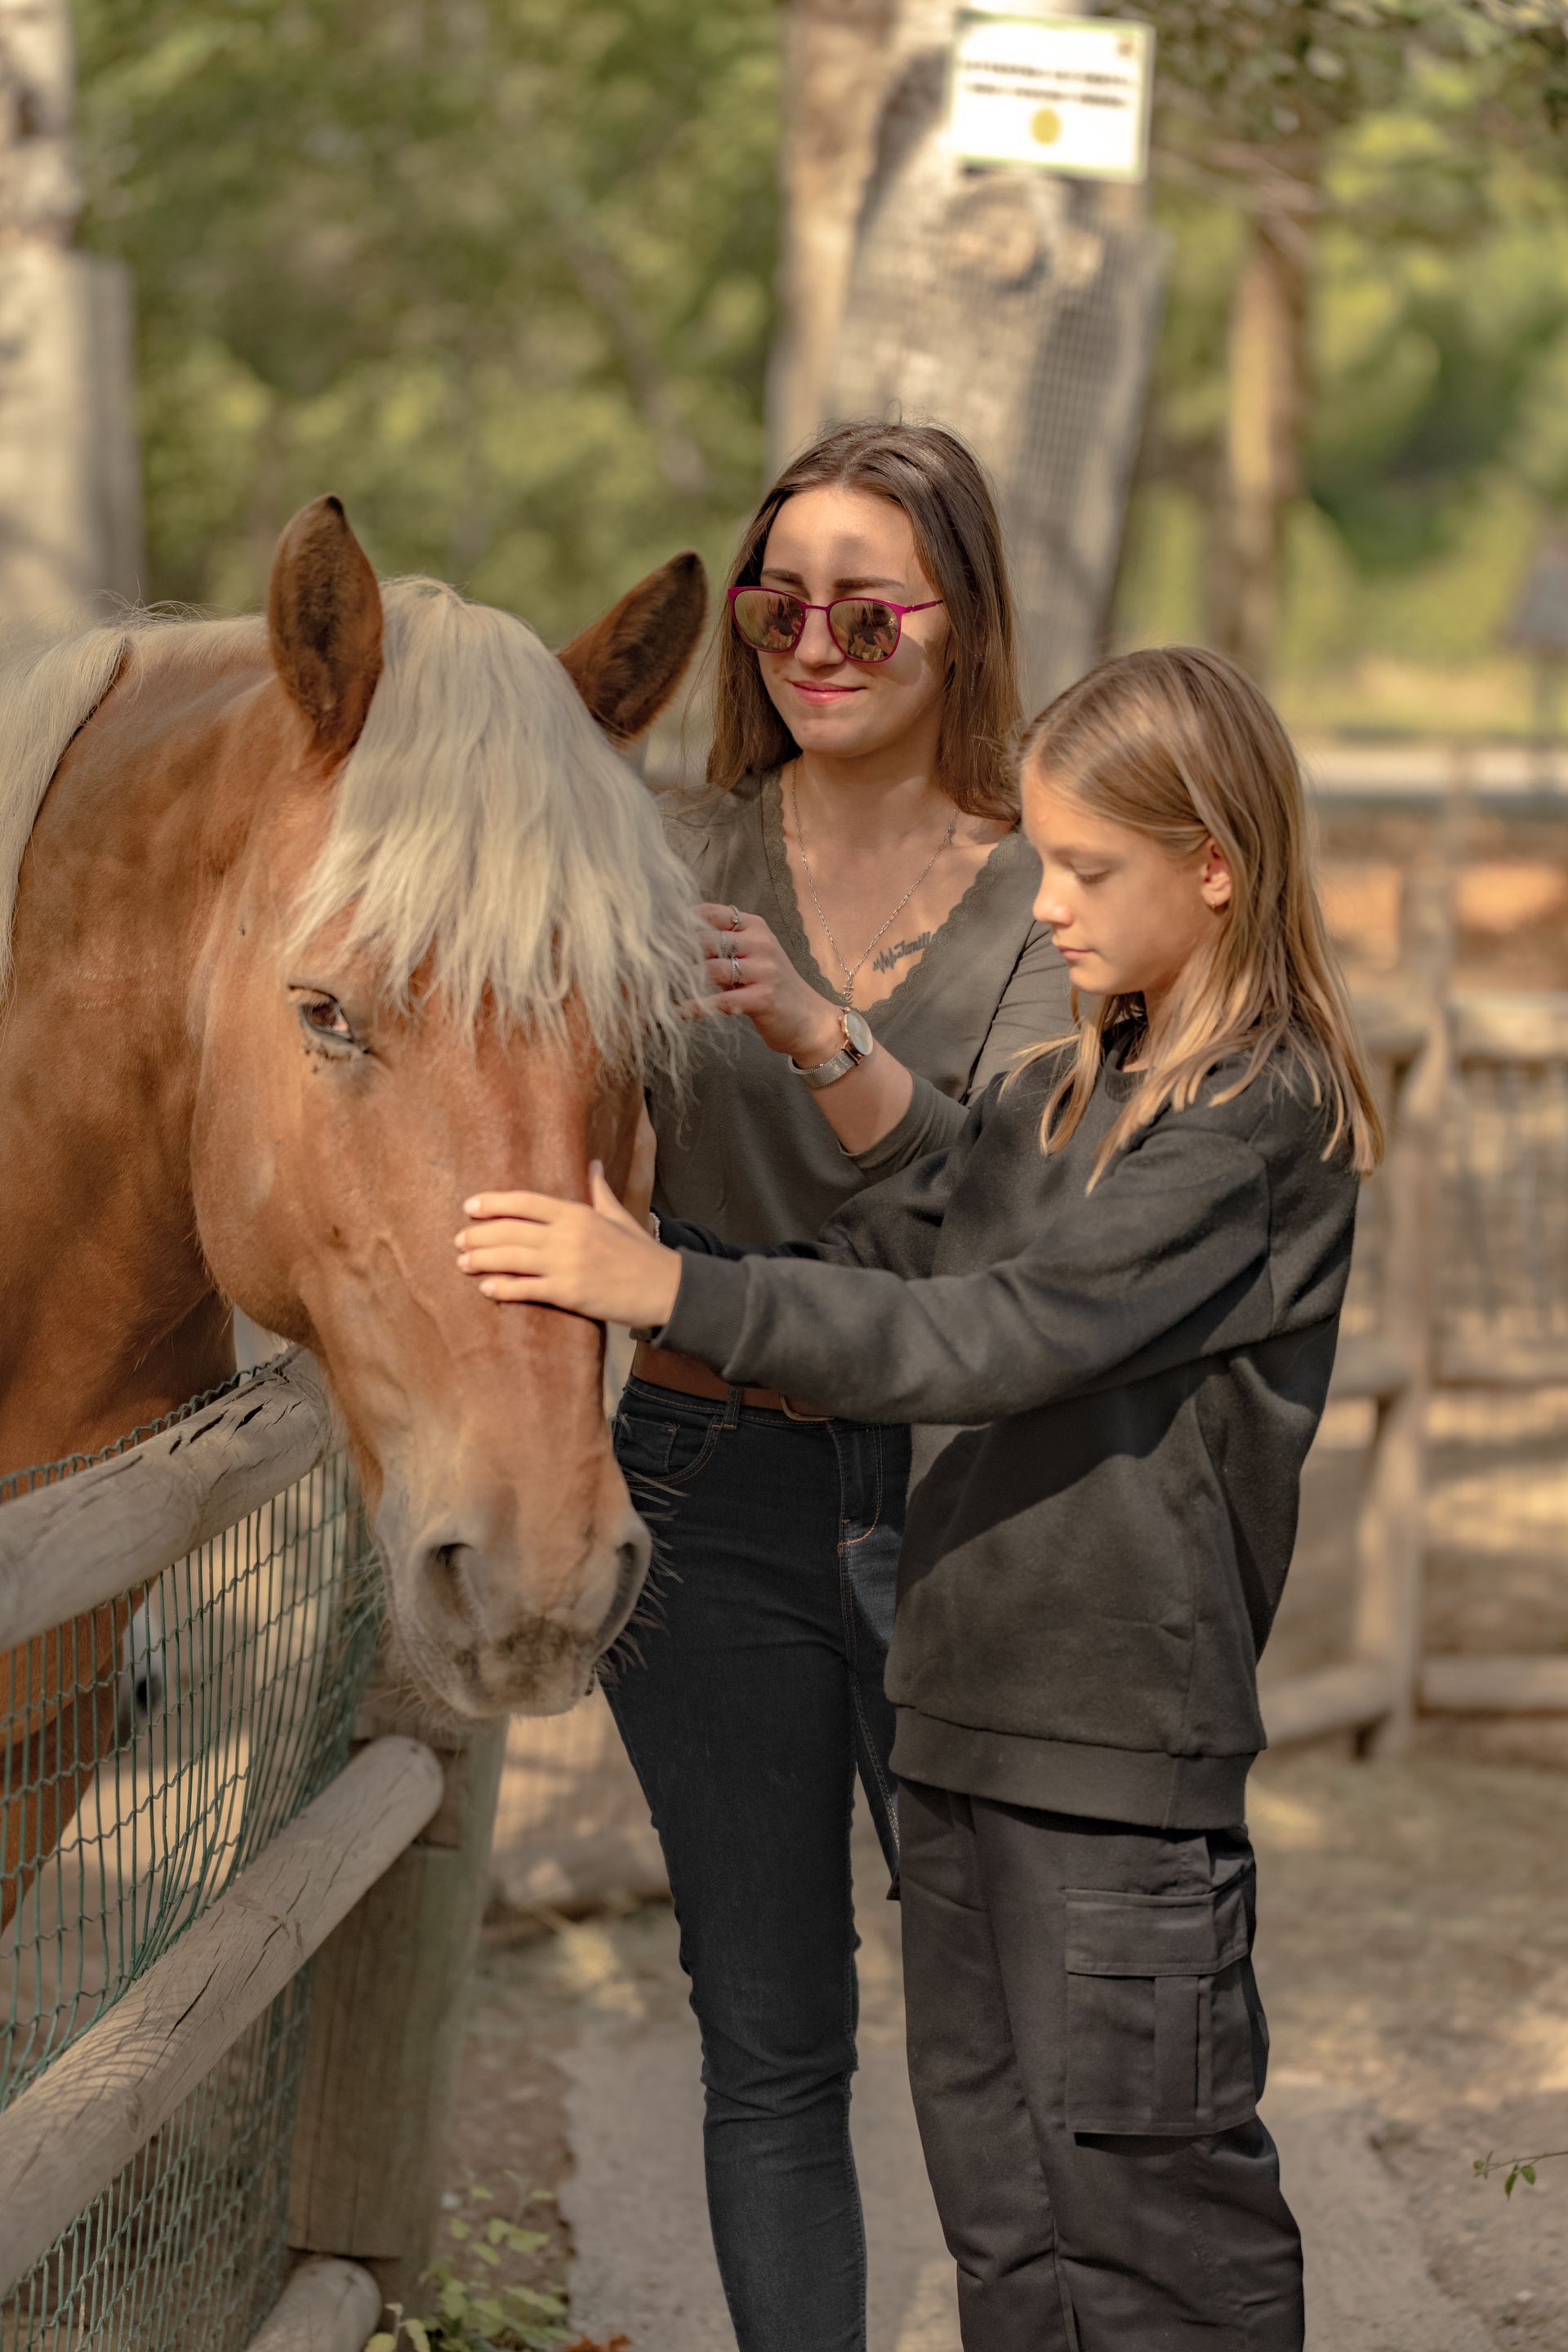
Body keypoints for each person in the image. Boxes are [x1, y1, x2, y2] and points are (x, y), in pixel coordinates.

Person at [454, 643, 1383, 2352]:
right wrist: (817, 1042)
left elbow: (1002, 1327)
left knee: (1151, 2216)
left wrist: (671, 1289)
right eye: (1038, 860)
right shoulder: (1080, 1081)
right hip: (955, 1720)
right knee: (1009, 2221)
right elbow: (955, 1185)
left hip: (1110, 1756)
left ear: (1217, 866)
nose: (1047, 910)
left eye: (1087, 870)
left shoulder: (1253, 1125)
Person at [569, 420, 1069, 2352]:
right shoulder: (664, 859)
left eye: (868, 602)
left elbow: (1007, 1219)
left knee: (1005, 2038)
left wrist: (815, 1027)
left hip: (963, 1498)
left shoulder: (1050, 885)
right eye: (780, 602)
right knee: (767, 2042)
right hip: (706, 1489)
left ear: (960, 620)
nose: (814, 639)